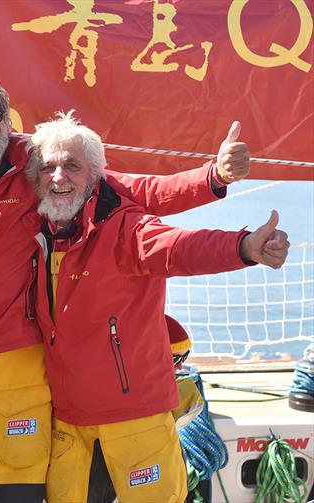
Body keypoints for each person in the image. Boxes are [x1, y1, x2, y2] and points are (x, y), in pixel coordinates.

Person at [0, 65, 251, 502]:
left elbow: (133, 189)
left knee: (16, 483)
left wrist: (213, 178)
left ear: (9, 123)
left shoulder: (39, 166)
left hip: (19, 355)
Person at [26, 111, 289, 502]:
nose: (59, 176)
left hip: (134, 415)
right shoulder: (37, 226)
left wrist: (243, 246)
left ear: (96, 175)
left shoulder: (125, 228)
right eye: (48, 167)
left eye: (72, 166)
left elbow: (180, 248)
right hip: (68, 418)